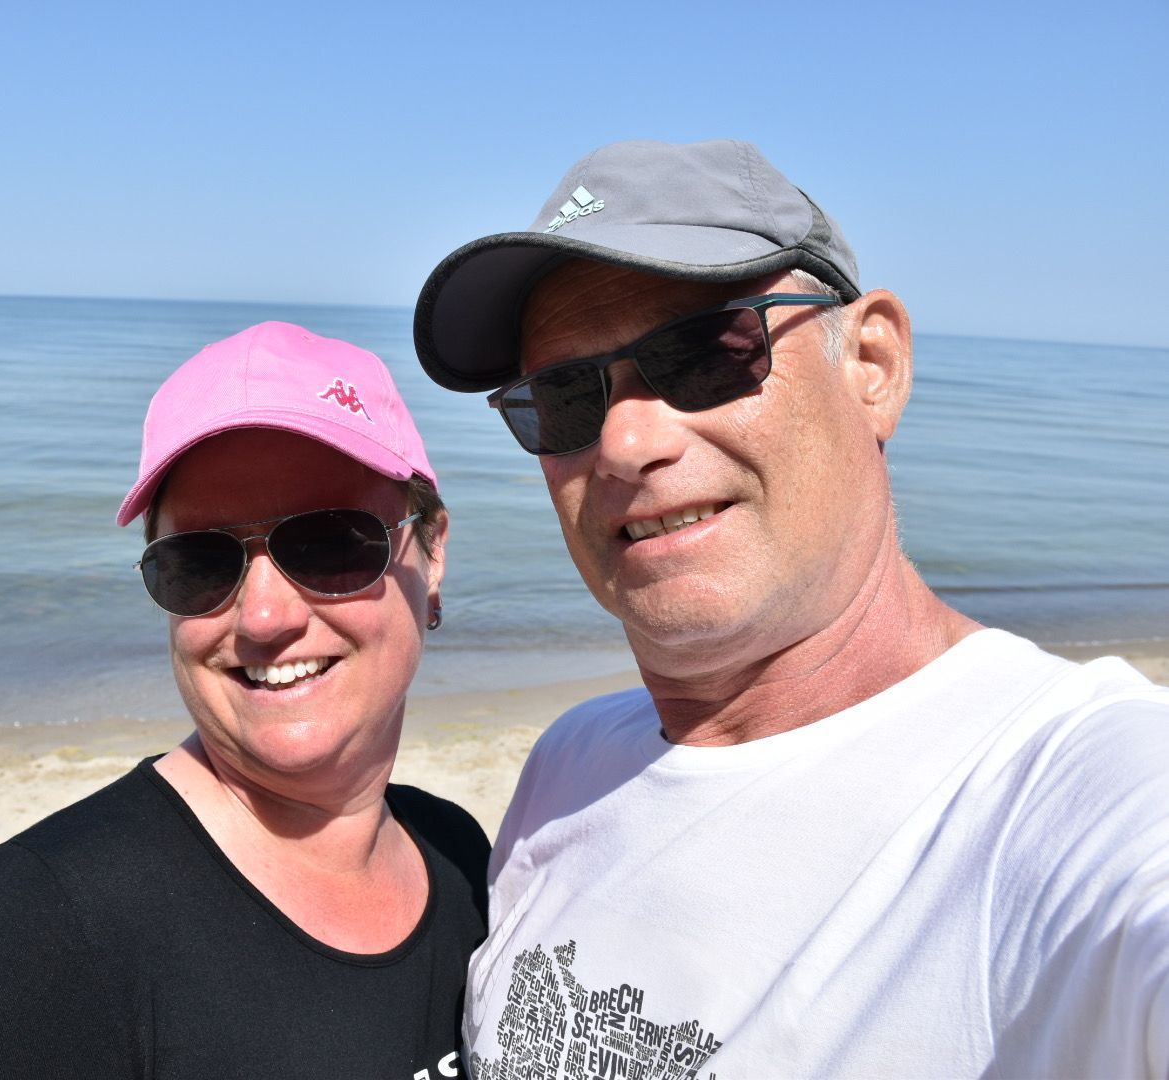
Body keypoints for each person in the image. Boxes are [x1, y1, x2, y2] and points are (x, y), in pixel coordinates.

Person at [412, 139, 1169, 1077]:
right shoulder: (568, 769)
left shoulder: (1075, 794)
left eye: (706, 354)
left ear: (873, 364)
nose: (626, 442)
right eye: (564, 396)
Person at [0, 321, 488, 1078]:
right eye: (200, 561)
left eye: (331, 543)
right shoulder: (37, 932)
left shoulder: (462, 856)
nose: (263, 617)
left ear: (433, 552)